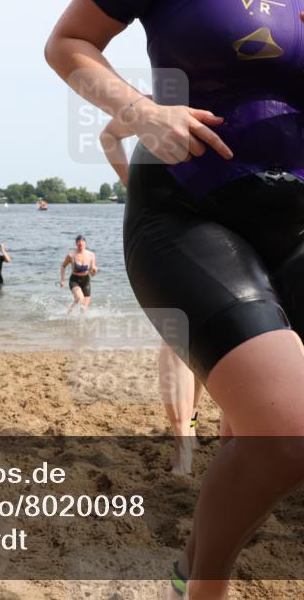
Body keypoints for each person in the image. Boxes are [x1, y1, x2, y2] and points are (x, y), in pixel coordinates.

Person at [46, 0, 304, 595]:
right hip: (186, 211)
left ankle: (195, 568)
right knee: (294, 436)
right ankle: (204, 583)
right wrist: (140, 110)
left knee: (258, 441)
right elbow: (68, 43)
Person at [103, 119, 205, 475]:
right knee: (178, 338)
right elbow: (109, 136)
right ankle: (184, 442)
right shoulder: (155, 104)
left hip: (214, 230)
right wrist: (135, 187)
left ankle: (188, 435)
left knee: (202, 340)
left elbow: (109, 137)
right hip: (170, 234)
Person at [60, 235, 97, 314]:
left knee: (84, 307)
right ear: (76, 244)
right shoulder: (71, 255)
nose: (81, 246)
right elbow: (63, 267)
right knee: (80, 298)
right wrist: (63, 280)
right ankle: (69, 313)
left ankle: (81, 323)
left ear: (85, 244)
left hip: (86, 280)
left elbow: (92, 273)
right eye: (79, 244)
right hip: (74, 280)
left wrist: (94, 270)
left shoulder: (91, 255)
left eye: (82, 244)